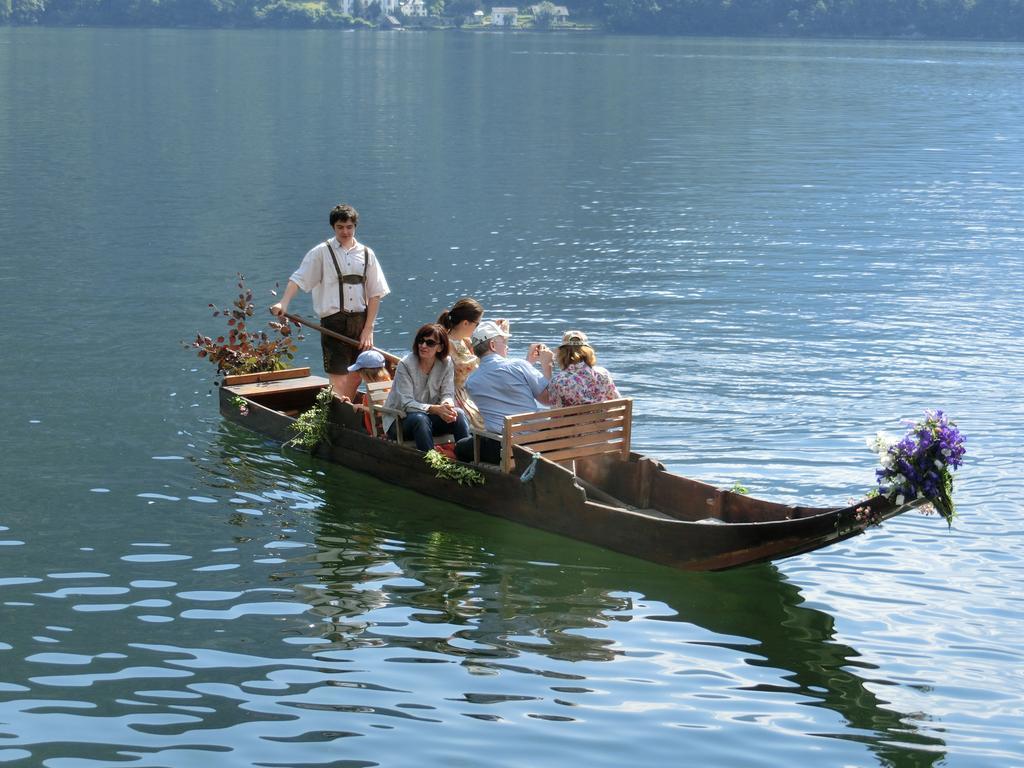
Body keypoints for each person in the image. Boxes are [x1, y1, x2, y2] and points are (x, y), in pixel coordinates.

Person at [270, 204, 390, 401]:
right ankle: (342, 415)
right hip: (333, 323)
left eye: (349, 227)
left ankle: (362, 415)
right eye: (340, 227)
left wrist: (369, 328)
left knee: (364, 373)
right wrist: (283, 303)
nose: (345, 231)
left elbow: (375, 293)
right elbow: (298, 279)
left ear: (355, 227)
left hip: (361, 322)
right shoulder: (321, 253)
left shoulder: (367, 254)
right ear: (333, 227)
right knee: (339, 377)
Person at [454, 320, 554, 464]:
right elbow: (548, 399)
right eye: (504, 341)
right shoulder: (519, 366)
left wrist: (527, 363)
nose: (507, 346)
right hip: (534, 444)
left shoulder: (471, 382)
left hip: (500, 449)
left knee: (461, 447)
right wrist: (547, 366)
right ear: (492, 345)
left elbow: (501, 380)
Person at [382, 323, 470, 452]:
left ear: (440, 348)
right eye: (421, 341)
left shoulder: (446, 363)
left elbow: (447, 393)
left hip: (428, 418)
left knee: (459, 414)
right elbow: (406, 404)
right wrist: (435, 409)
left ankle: (467, 459)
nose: (423, 346)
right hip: (399, 421)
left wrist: (447, 405)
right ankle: (431, 464)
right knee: (420, 419)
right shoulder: (405, 365)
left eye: (430, 343)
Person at [436, 298, 485, 431]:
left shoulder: (466, 341)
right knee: (481, 422)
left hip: (467, 392)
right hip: (451, 394)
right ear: (465, 323)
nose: (477, 327)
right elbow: (471, 366)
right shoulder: (445, 343)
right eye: (477, 324)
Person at [548, 330, 621, 407]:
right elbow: (617, 403)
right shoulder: (603, 373)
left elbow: (555, 412)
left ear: (561, 354)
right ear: (588, 352)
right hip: (604, 418)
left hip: (575, 419)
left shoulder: (558, 381)